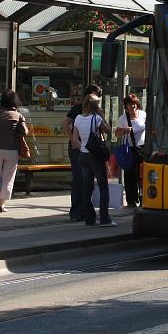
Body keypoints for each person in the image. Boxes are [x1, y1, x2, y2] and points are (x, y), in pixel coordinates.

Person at [71, 93, 115, 227]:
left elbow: (74, 139)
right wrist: (102, 116)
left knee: (87, 187)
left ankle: (89, 219)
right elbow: (108, 130)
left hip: (83, 156)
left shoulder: (78, 118)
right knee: (103, 187)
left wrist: (83, 148)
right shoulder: (96, 118)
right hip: (95, 157)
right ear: (96, 106)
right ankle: (105, 218)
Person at [62, 84, 102, 222]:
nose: (99, 98)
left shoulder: (96, 111)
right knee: (79, 179)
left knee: (87, 180)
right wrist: (73, 140)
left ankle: (85, 210)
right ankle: (77, 211)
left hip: (88, 149)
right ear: (90, 95)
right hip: (78, 148)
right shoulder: (78, 108)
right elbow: (65, 123)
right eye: (98, 95)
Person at [114, 93, 146, 208]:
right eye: (130, 104)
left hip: (142, 148)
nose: (132, 106)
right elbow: (116, 134)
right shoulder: (123, 118)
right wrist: (124, 130)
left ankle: (143, 198)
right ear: (126, 106)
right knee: (130, 175)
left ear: (137, 104)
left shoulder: (143, 114)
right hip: (130, 149)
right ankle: (131, 200)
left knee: (142, 176)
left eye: (134, 104)